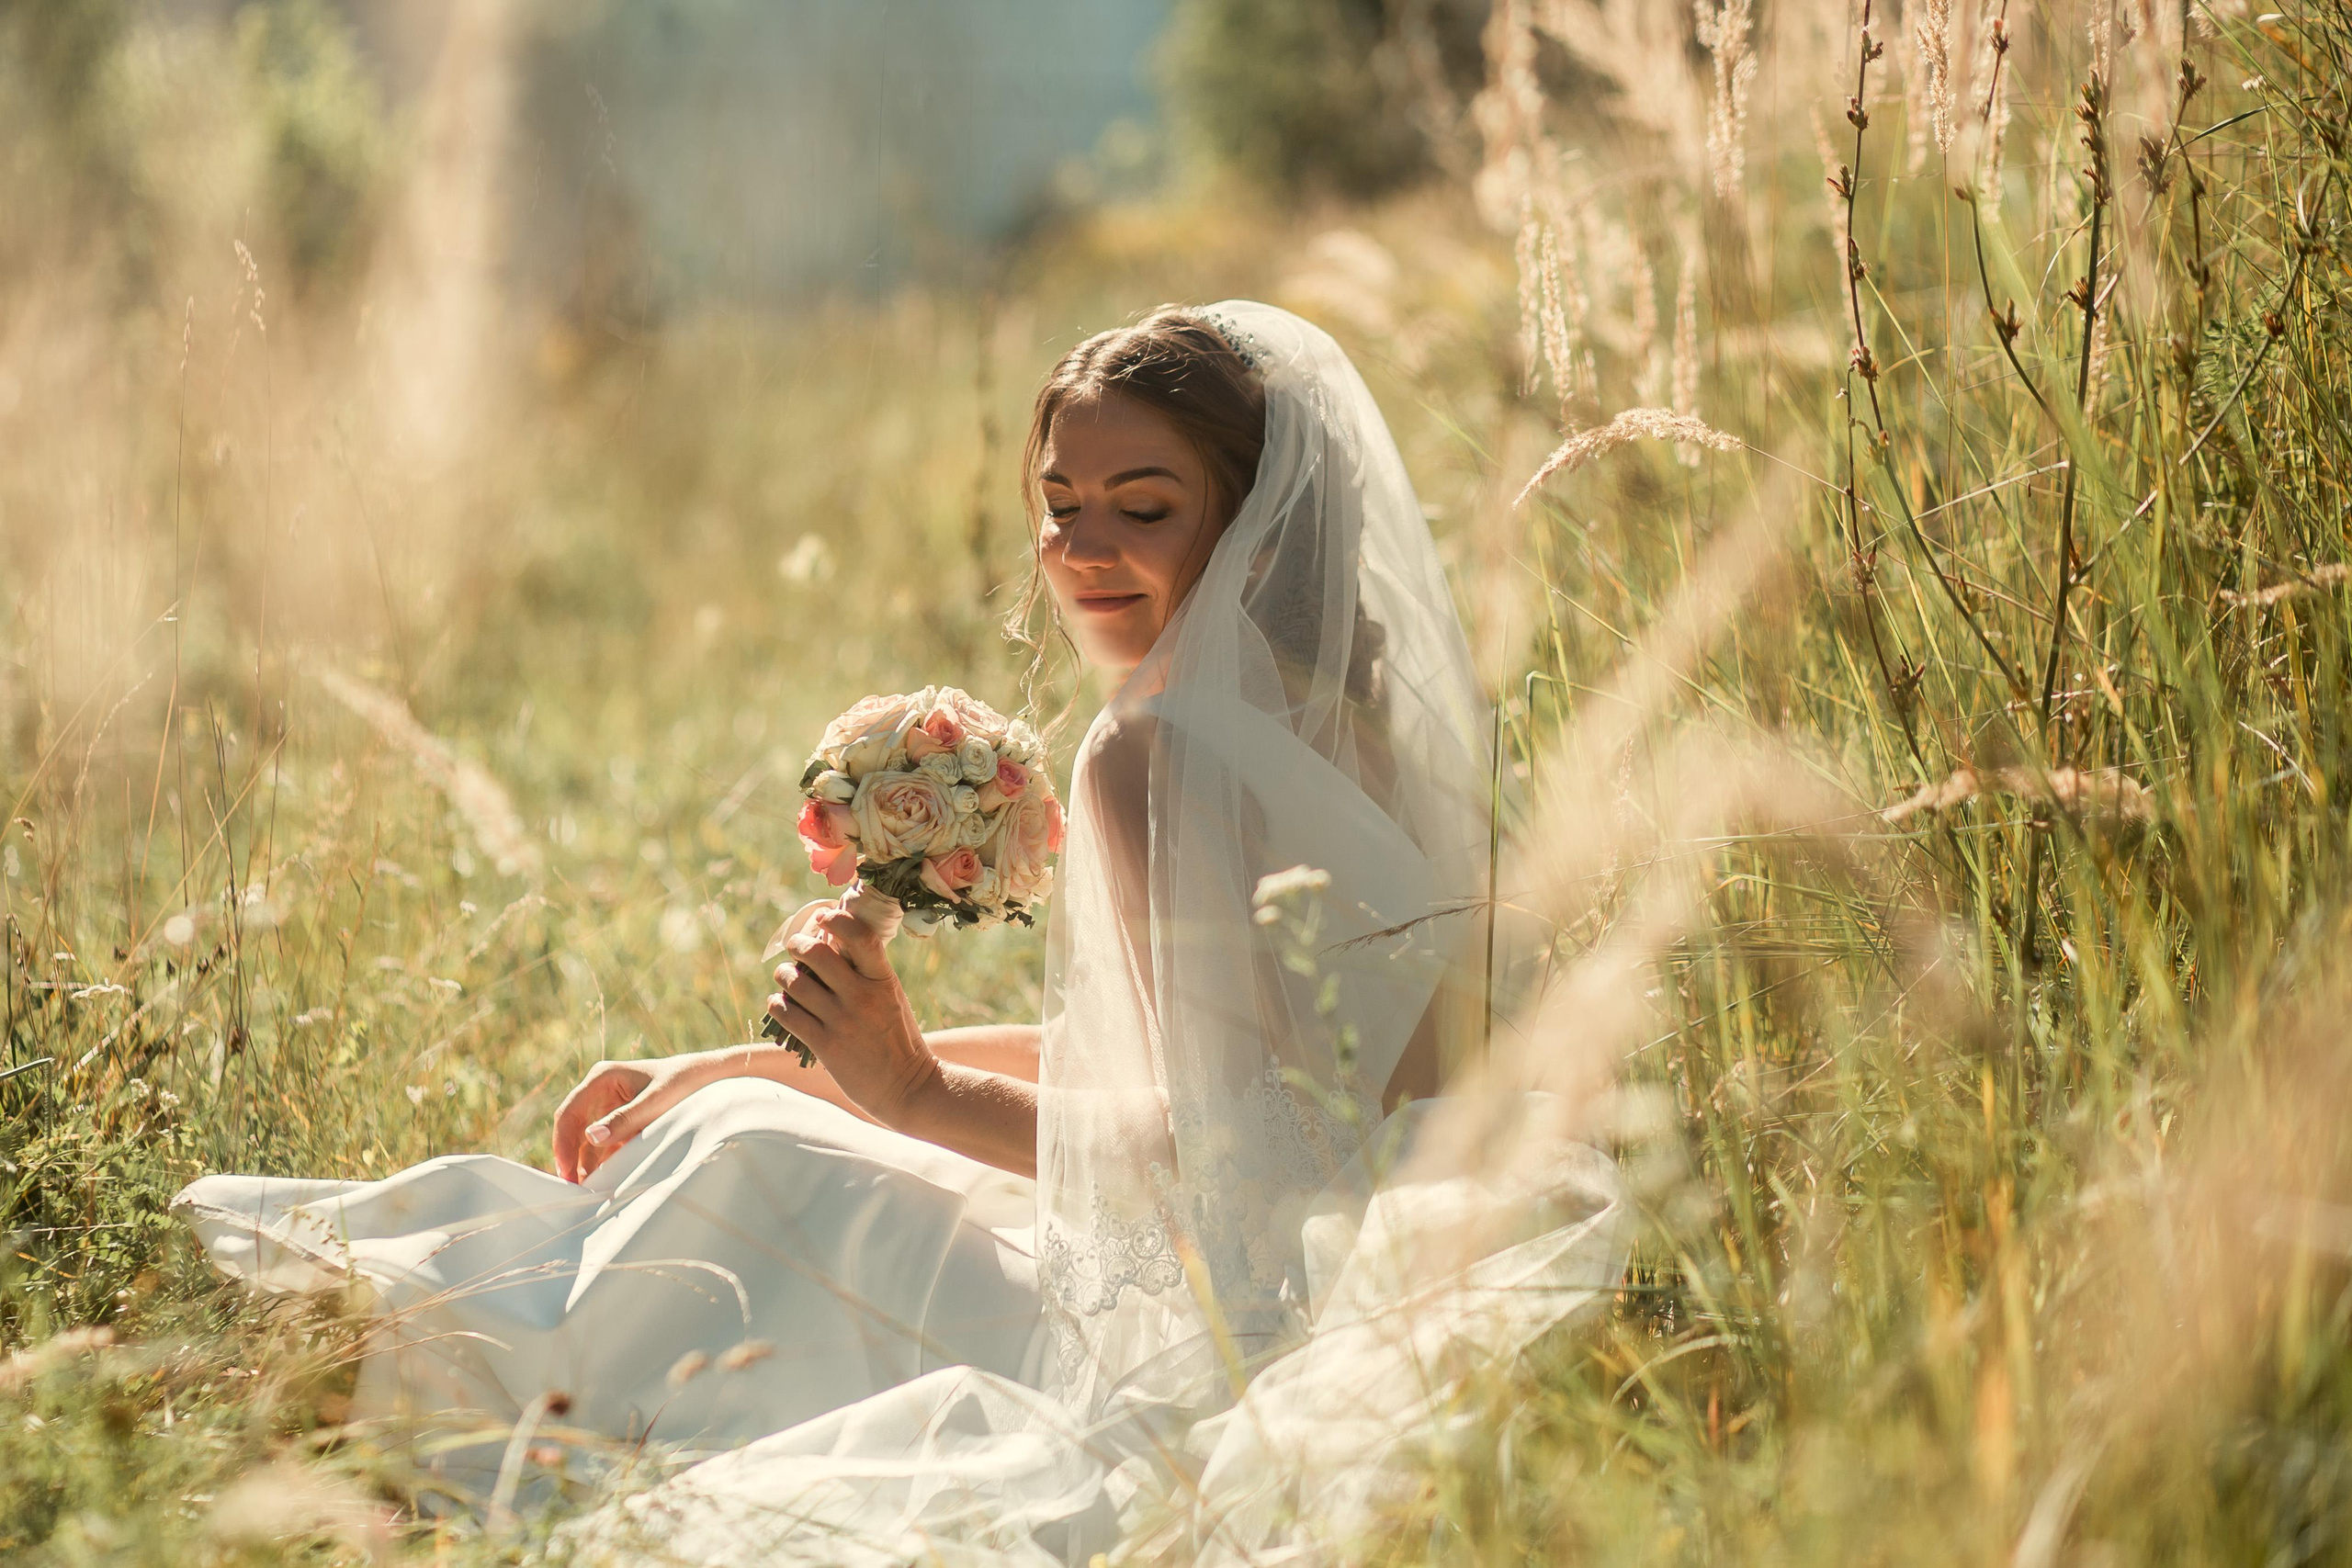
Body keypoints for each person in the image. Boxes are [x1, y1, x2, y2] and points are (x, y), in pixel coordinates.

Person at [175, 302, 1624, 1561]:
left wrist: (912, 1093)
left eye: (1144, 505)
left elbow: (1239, 1157)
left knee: (752, 1173)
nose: (1084, 549)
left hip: (1245, 1311)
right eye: (1061, 504)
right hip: (1394, 1237)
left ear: (1242, 514)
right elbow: (1218, 1070)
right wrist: (752, 1061)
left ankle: (366, 1405)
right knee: (741, 1126)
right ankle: (367, 1377)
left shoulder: (1156, 752)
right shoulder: (1351, 726)